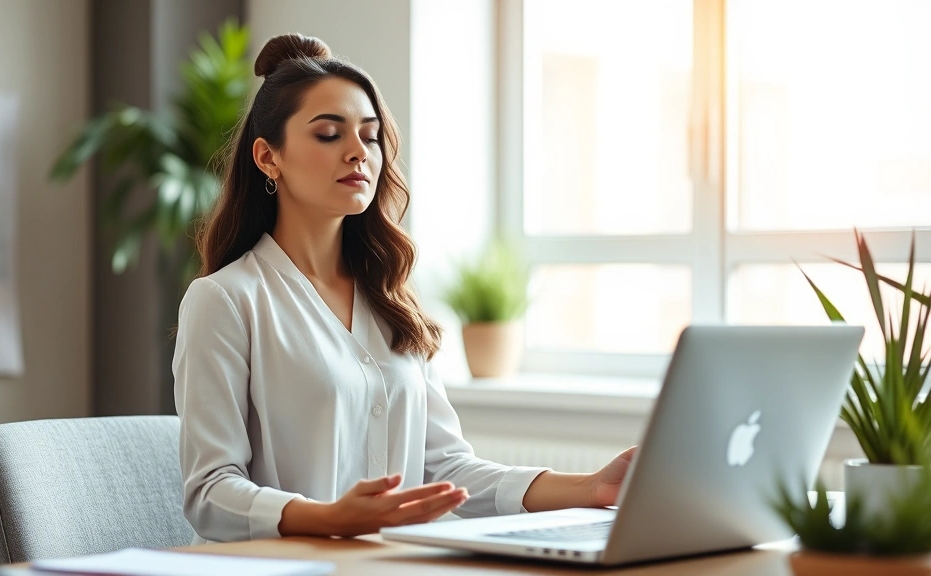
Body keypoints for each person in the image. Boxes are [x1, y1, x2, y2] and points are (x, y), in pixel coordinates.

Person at [173, 33, 636, 545]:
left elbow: (446, 469)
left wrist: (590, 487)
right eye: (329, 134)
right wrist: (326, 518)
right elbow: (209, 493)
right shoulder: (226, 301)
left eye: (369, 137)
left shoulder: (388, 297)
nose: (357, 153)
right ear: (267, 158)